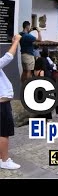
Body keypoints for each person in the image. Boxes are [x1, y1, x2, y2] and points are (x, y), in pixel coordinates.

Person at [0, 34, 23, 169]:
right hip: (1, 104)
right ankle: (4, 160)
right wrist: (16, 41)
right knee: (3, 132)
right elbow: (8, 57)